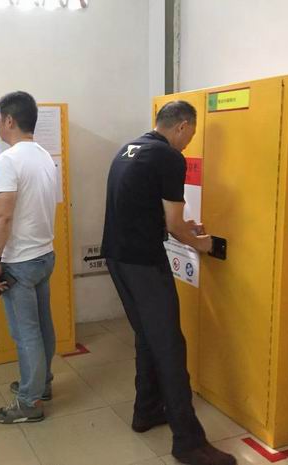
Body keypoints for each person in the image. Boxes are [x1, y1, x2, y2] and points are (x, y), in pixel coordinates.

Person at [101, 100, 236, 465]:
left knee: (148, 336)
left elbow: (142, 208)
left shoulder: (129, 149)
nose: (189, 142)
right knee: (171, 347)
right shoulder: (170, 157)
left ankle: (146, 411)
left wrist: (182, 228)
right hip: (144, 263)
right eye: (191, 134)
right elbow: (175, 225)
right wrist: (202, 243)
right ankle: (189, 443)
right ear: (182, 126)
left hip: (118, 257)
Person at [0, 91, 58, 424]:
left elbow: (3, 216)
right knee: (43, 326)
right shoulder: (44, 156)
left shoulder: (9, 160)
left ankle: (29, 401)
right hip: (44, 255)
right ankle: (41, 383)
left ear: (9, 120)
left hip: (20, 262)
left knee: (26, 332)